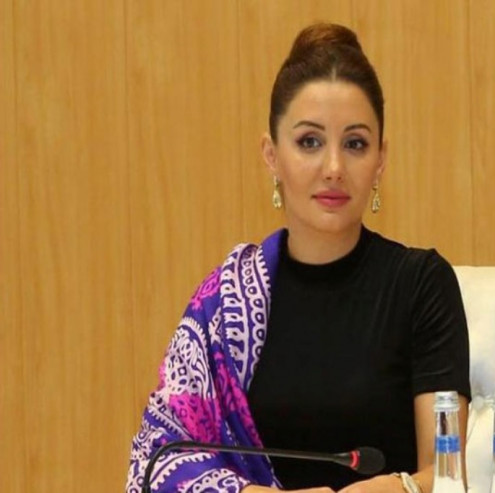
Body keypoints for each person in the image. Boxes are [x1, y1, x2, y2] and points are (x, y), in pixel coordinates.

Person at [126, 22, 470, 493]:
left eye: (355, 144)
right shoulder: (228, 302)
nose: (334, 168)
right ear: (271, 155)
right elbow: (161, 455)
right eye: (310, 142)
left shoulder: (421, 285)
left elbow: (447, 475)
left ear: (381, 159)